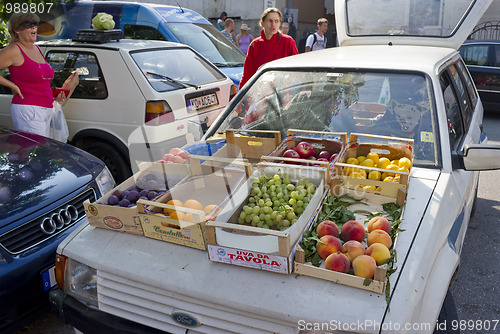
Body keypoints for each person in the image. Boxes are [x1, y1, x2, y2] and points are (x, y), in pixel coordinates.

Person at [0, 13, 73, 138]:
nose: (34, 27)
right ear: (17, 30)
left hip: (46, 109)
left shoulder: (36, 48)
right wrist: (12, 85)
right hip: (28, 110)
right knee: (31, 153)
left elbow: (41, 82)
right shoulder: (14, 50)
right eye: (28, 25)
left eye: (35, 24)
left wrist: (54, 99)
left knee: (39, 152)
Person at [239, 8, 298, 89]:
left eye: (276, 21)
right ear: (262, 23)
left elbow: (296, 69)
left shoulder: (288, 42)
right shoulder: (255, 44)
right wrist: (241, 97)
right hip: (261, 93)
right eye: (270, 21)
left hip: (282, 91)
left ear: (280, 23)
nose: (273, 24)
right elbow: (247, 74)